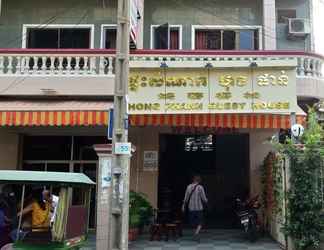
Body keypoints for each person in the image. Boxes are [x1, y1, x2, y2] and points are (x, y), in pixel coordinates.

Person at [182, 175, 208, 242]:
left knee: (192, 222)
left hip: (191, 208)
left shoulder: (188, 187)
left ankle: (195, 233)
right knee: (200, 221)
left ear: (193, 180)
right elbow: (203, 198)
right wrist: (206, 201)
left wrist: (183, 206)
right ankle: (196, 233)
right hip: (199, 208)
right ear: (199, 180)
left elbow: (186, 198)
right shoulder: (200, 187)